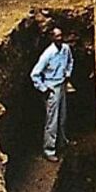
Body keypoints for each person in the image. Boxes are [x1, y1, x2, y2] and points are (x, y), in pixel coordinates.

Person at [30, 27, 74, 162]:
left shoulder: (66, 49)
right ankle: (49, 150)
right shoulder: (48, 54)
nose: (60, 38)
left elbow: (70, 61)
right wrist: (44, 89)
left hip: (62, 85)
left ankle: (62, 142)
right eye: (57, 36)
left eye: (61, 35)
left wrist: (67, 74)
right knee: (52, 121)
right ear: (52, 38)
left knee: (62, 116)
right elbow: (35, 74)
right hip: (52, 88)